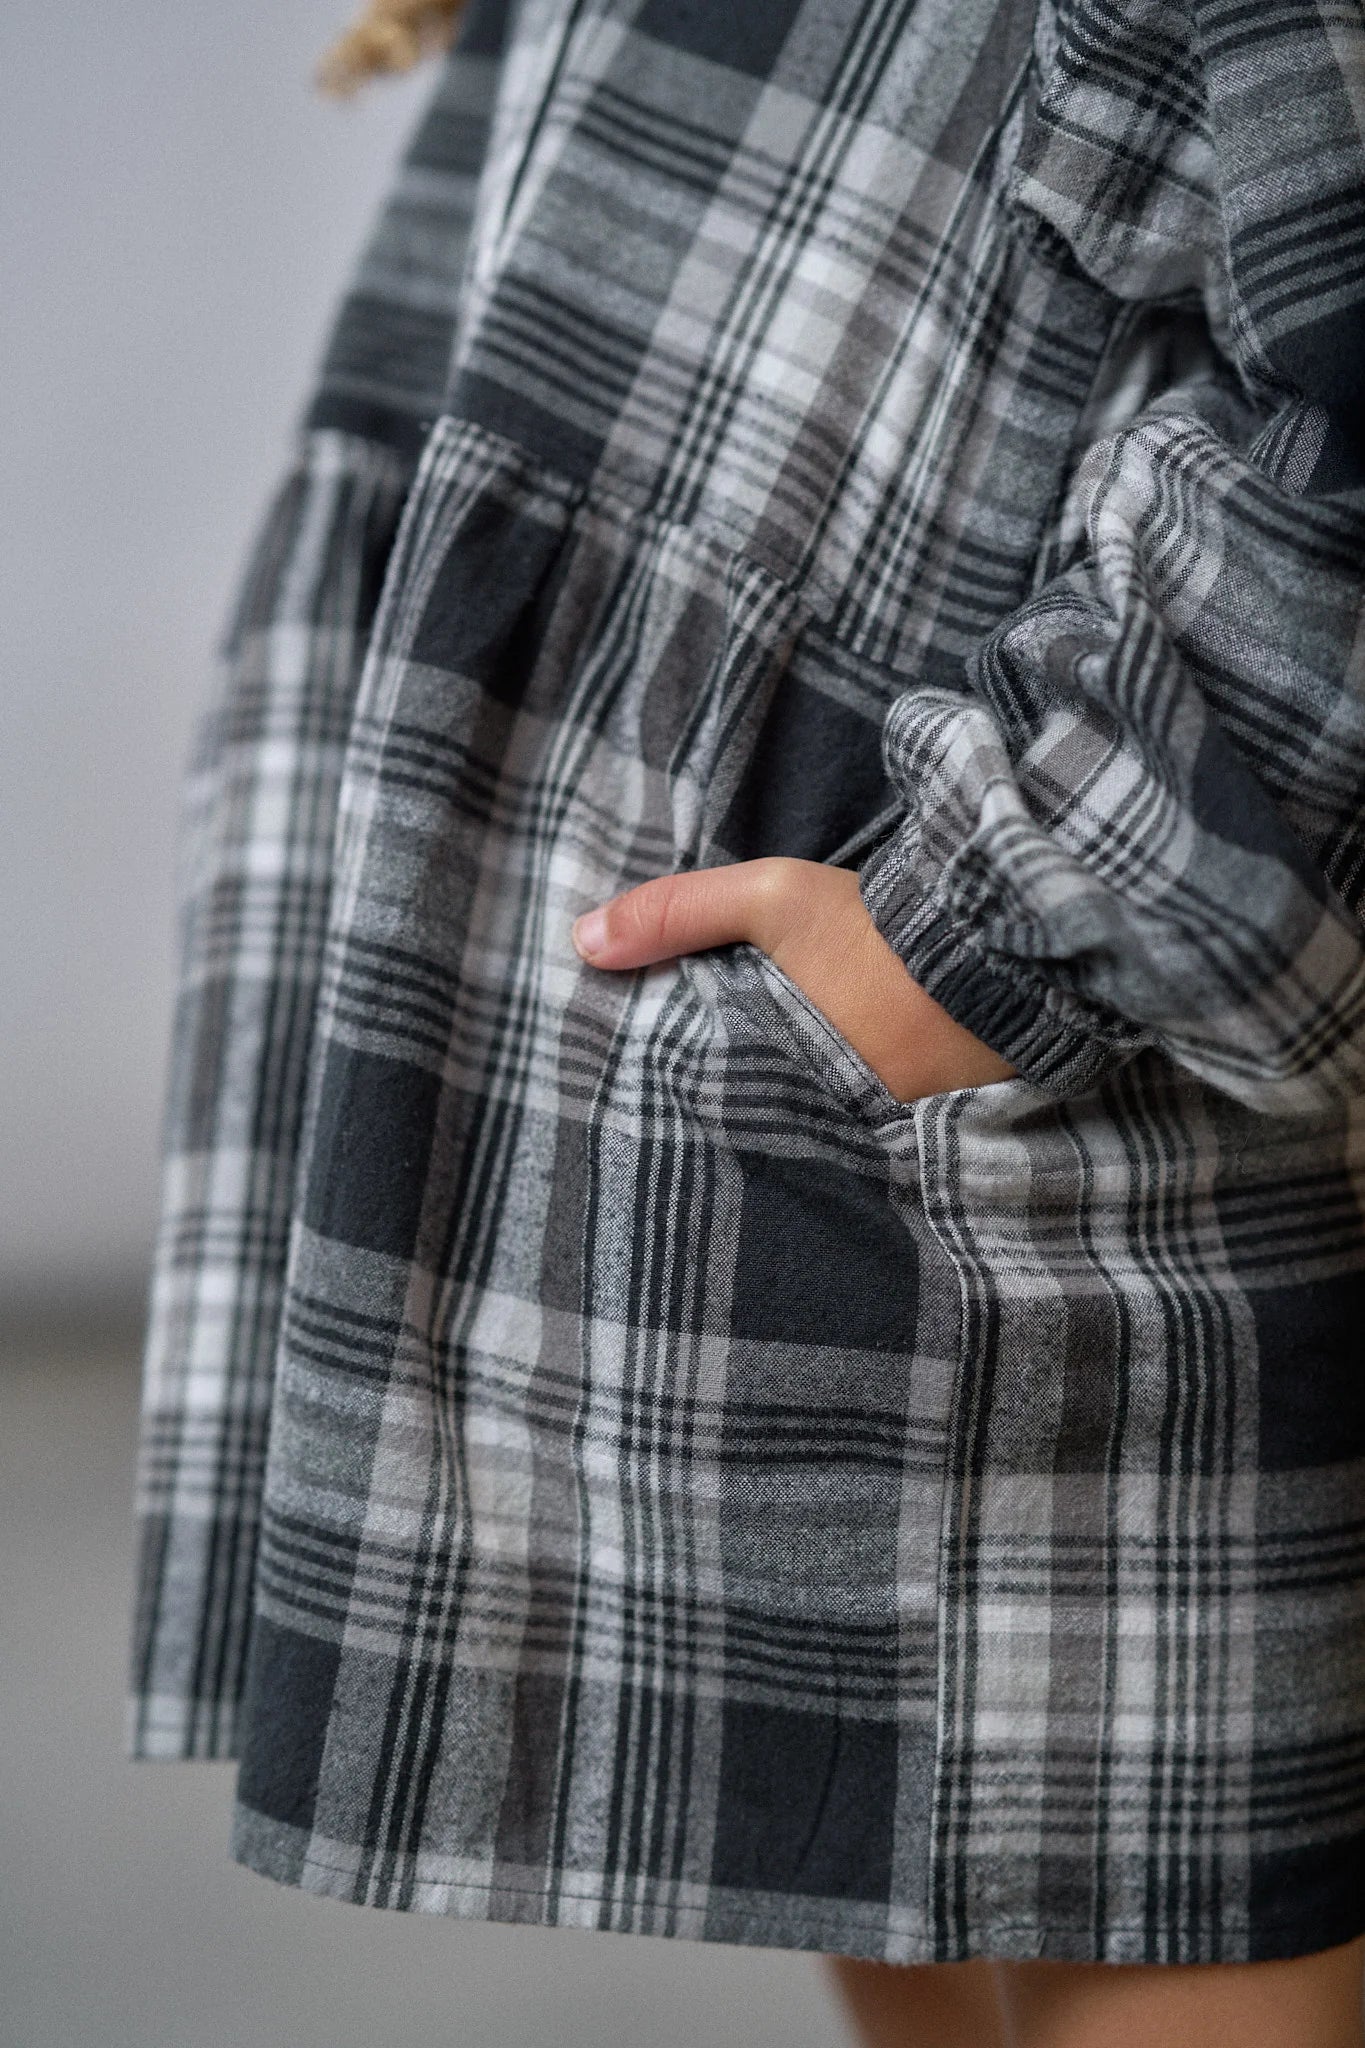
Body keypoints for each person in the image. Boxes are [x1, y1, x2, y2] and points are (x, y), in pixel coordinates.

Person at [130, 0, 1365, 2040]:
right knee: (884, 1828)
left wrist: (998, 912)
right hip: (776, 929)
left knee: (1139, 1860)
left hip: (1034, 976)